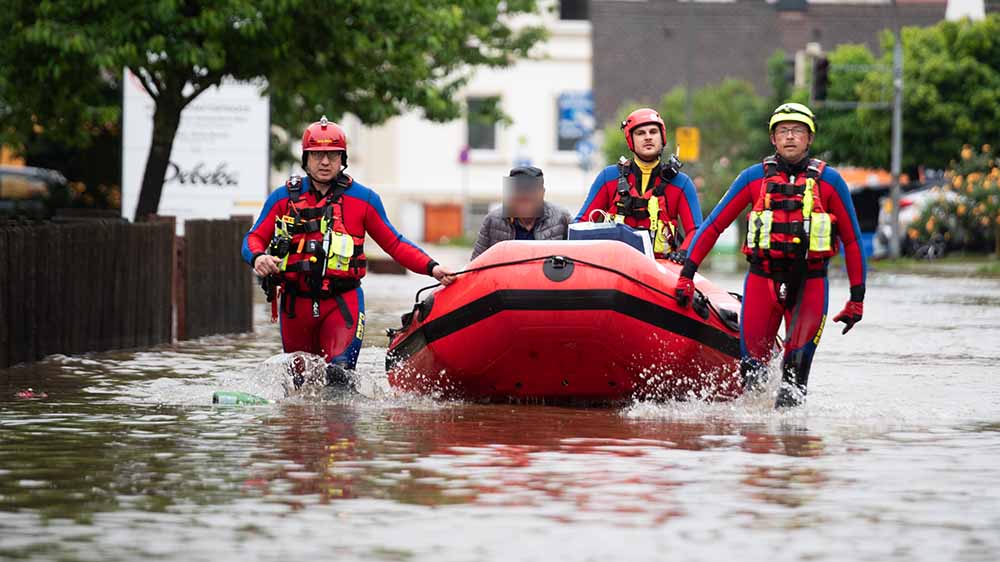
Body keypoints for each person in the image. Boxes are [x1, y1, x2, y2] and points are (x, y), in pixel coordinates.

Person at [675, 103, 867, 408]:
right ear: (773, 139)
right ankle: (758, 450)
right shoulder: (752, 179)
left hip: (810, 284)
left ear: (809, 139)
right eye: (783, 131)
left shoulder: (830, 182)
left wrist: (857, 298)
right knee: (752, 375)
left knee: (795, 378)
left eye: (798, 131)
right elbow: (713, 226)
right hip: (762, 281)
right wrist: (686, 275)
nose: (790, 137)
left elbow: (853, 241)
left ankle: (793, 449)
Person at [242, 116, 455, 389]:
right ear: (305, 159)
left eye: (332, 154)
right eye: (317, 155)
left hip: (342, 303)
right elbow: (253, 238)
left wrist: (433, 268)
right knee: (299, 386)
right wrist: (258, 257)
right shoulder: (282, 198)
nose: (325, 162)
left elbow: (395, 244)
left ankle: (341, 430)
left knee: (339, 379)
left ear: (343, 159)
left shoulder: (364, 200)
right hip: (296, 307)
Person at [574, 107, 702, 261]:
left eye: (653, 132)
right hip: (616, 267)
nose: (648, 137)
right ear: (630, 140)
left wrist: (684, 253)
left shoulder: (681, 183)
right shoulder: (608, 178)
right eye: (640, 133)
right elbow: (580, 224)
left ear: (662, 138)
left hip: (661, 269)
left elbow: (696, 231)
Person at [471, 166, 571, 260]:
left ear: (542, 194)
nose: (524, 200)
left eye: (530, 194)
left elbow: (578, 260)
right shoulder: (492, 220)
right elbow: (475, 264)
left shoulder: (561, 218)